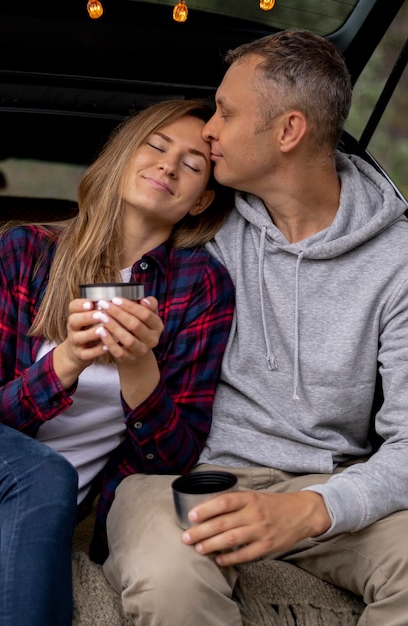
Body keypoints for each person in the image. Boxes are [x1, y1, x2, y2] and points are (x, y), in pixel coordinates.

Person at [0, 98, 236, 626]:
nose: (169, 166)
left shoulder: (201, 288)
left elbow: (173, 459)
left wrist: (138, 367)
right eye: (157, 145)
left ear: (200, 202)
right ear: (123, 157)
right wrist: (69, 361)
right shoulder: (24, 251)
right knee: (44, 474)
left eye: (193, 165)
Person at [96, 29, 408, 626]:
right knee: (170, 578)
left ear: (289, 131)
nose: (208, 129)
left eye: (226, 112)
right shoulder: (199, 218)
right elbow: (80, 260)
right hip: (184, 480)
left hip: (330, 487)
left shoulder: (396, 260)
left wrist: (317, 507)